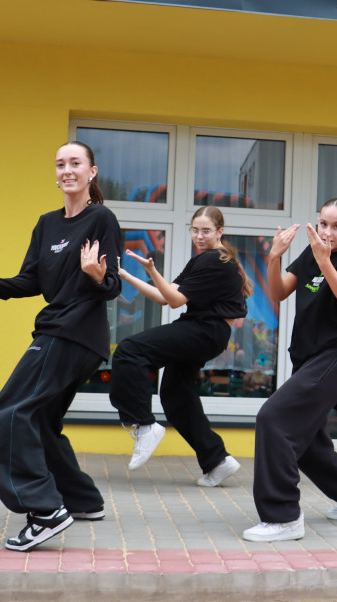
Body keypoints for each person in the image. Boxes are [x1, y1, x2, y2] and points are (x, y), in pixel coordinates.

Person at [0, 141, 122, 552]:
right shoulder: (47, 224)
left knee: (3, 417)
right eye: (61, 164)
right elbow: (28, 283)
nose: (67, 170)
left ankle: (45, 511)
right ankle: (82, 500)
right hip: (59, 333)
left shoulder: (102, 219)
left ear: (91, 172)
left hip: (72, 333)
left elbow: (113, 286)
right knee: (41, 422)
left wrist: (96, 275)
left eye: (75, 163)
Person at [243, 198, 337, 542]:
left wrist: (326, 263)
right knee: (310, 446)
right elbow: (278, 292)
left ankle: (283, 517)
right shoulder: (310, 254)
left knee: (273, 418)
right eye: (323, 224)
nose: (328, 232)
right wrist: (274, 257)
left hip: (335, 356)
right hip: (307, 360)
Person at [109, 205, 249, 486]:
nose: (199, 236)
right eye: (195, 230)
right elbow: (164, 296)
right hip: (208, 332)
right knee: (175, 394)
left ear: (220, 232)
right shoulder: (208, 260)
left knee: (129, 351)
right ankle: (217, 461)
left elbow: (174, 300)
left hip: (204, 330)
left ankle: (143, 424)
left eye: (206, 231)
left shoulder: (214, 259)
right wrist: (127, 275)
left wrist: (151, 269)